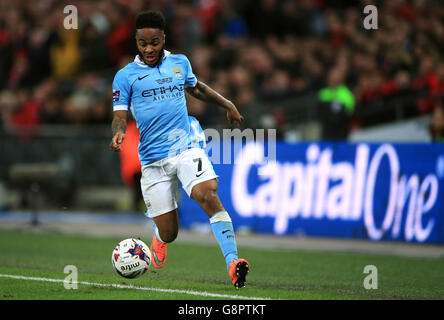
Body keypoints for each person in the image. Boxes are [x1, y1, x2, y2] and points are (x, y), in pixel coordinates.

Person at [109, 11, 249, 289]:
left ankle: (233, 262)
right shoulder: (125, 77)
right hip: (152, 159)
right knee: (170, 232)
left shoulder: (179, 63)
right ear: (136, 42)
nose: (149, 49)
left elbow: (196, 89)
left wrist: (228, 104)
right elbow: (120, 115)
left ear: (164, 39)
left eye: (154, 42)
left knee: (207, 194)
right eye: (142, 43)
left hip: (186, 145)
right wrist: (118, 133)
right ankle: (159, 238)